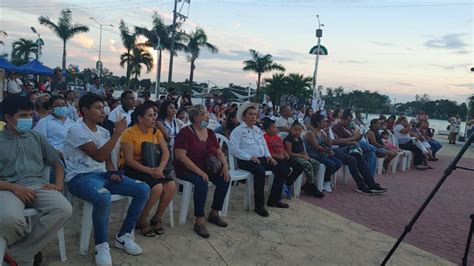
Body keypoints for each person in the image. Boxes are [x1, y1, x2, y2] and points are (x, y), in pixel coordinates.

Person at [63, 93, 149, 265]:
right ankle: (101, 245)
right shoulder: (76, 130)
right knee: (103, 197)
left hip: (102, 176)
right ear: (85, 110)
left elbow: (108, 161)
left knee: (143, 189)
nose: (102, 112)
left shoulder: (103, 131)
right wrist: (117, 133)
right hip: (80, 178)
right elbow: (98, 156)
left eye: (103, 108)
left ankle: (124, 235)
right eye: (97, 108)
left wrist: (112, 173)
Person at [0, 95, 72, 265]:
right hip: (7, 187)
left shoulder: (36, 137)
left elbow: (57, 163)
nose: (28, 119)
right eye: (23, 116)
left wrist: (59, 185)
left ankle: (18, 254)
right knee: (10, 219)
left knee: (64, 209)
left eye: (30, 116)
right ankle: (26, 253)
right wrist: (14, 188)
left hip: (37, 184)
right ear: (8, 118)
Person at [174, 104, 230, 238]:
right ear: (195, 118)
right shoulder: (185, 132)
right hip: (187, 168)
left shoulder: (210, 133)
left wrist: (225, 166)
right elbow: (180, 156)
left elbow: (218, 152)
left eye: (206, 113)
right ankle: (199, 221)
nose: (207, 116)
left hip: (207, 167)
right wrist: (199, 172)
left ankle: (214, 213)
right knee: (201, 183)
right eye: (203, 114)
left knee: (224, 179)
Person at [120, 103, 176, 237]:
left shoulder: (155, 132)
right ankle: (142, 220)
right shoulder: (129, 133)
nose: (153, 118)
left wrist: (160, 168)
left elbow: (165, 152)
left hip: (154, 166)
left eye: (154, 115)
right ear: (140, 118)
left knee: (171, 185)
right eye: (150, 116)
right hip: (134, 169)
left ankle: (157, 218)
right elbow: (129, 161)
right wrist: (151, 171)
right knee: (157, 188)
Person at [229, 102, 291, 217]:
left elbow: (264, 145)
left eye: (255, 114)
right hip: (245, 160)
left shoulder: (257, 130)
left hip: (261, 158)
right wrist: (249, 157)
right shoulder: (238, 131)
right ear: (243, 116)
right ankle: (259, 206)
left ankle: (274, 200)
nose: (254, 117)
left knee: (283, 168)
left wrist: (269, 156)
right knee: (260, 172)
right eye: (250, 114)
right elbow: (233, 149)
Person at [331, 110, 387, 195]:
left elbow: (352, 138)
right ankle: (362, 185)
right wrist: (351, 140)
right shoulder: (336, 127)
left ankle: (370, 183)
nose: (349, 122)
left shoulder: (346, 127)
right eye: (348, 121)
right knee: (355, 158)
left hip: (350, 148)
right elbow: (335, 141)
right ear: (343, 119)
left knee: (368, 155)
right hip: (341, 149)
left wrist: (355, 138)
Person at [262, 119, 305, 199]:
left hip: (283, 157)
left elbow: (282, 147)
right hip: (273, 158)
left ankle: (287, 184)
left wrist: (285, 153)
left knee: (299, 167)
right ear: (267, 129)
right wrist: (275, 155)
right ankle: (280, 190)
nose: (276, 129)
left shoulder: (277, 137)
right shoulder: (264, 138)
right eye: (274, 127)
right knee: (285, 169)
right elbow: (264, 151)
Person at [284, 121, 325, 197]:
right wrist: (301, 156)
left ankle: (308, 185)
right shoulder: (288, 139)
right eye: (295, 130)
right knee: (307, 164)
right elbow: (289, 153)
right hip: (293, 157)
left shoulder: (299, 139)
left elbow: (303, 150)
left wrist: (306, 156)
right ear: (291, 130)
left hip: (300, 156)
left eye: (299, 130)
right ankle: (312, 186)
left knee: (316, 163)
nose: (297, 132)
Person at [304, 114, 342, 193]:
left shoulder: (322, 132)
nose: (326, 123)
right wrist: (328, 151)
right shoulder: (310, 133)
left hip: (321, 154)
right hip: (313, 155)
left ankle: (324, 178)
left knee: (338, 163)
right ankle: (326, 182)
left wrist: (328, 134)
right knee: (331, 164)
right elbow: (317, 147)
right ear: (318, 123)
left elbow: (330, 144)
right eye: (323, 121)